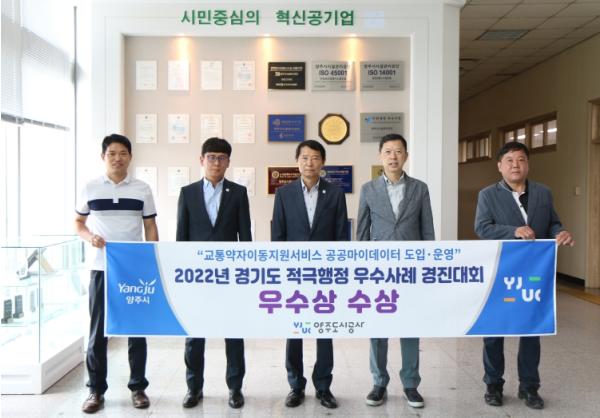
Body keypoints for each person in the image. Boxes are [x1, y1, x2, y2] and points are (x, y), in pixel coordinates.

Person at [475, 141, 574, 410]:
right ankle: (493, 385)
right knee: (494, 331)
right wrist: (514, 231)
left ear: (528, 164)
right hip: (500, 271)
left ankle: (529, 387)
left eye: (520, 159)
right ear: (500, 166)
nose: (515, 165)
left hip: (533, 273)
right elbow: (482, 228)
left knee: (531, 329)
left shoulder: (543, 192)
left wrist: (560, 232)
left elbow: (553, 222)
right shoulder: (488, 195)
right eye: (509, 160)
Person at [75, 134, 158, 414]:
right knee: (98, 331)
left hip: (134, 270)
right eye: (112, 153)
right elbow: (78, 222)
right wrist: (90, 237)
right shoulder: (90, 187)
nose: (117, 158)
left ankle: (138, 388)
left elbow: (150, 226)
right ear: (103, 157)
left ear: (130, 157)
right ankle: (95, 390)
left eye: (123, 153)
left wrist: (152, 259)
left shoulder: (142, 189)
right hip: (101, 268)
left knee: (137, 329)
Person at [356, 133, 434, 409]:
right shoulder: (368, 189)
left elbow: (427, 231)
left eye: (398, 151)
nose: (393, 156)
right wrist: (361, 270)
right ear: (380, 156)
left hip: (410, 270)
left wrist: (427, 267)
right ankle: (379, 382)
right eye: (388, 151)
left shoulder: (420, 189)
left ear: (406, 156)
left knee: (410, 326)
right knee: (378, 328)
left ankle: (411, 384)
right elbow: (362, 232)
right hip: (378, 271)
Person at [271, 139, 348, 409]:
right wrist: (281, 271)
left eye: (315, 158)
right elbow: (278, 235)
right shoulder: (284, 193)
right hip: (294, 274)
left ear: (323, 162)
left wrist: (339, 271)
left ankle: (323, 386)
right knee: (294, 330)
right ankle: (295, 386)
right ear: (297, 161)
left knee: (324, 330)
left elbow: (341, 235)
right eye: (304, 158)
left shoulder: (335, 193)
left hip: (325, 274)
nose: (309, 163)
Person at [176, 137, 251, 409]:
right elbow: (181, 238)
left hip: (230, 277)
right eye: (211, 157)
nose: (216, 162)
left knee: (234, 333)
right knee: (194, 335)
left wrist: (245, 275)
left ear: (228, 162)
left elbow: (245, 236)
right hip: (197, 277)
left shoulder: (238, 193)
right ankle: (193, 388)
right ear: (201, 160)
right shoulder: (188, 193)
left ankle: (235, 388)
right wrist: (183, 276)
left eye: (221, 158)